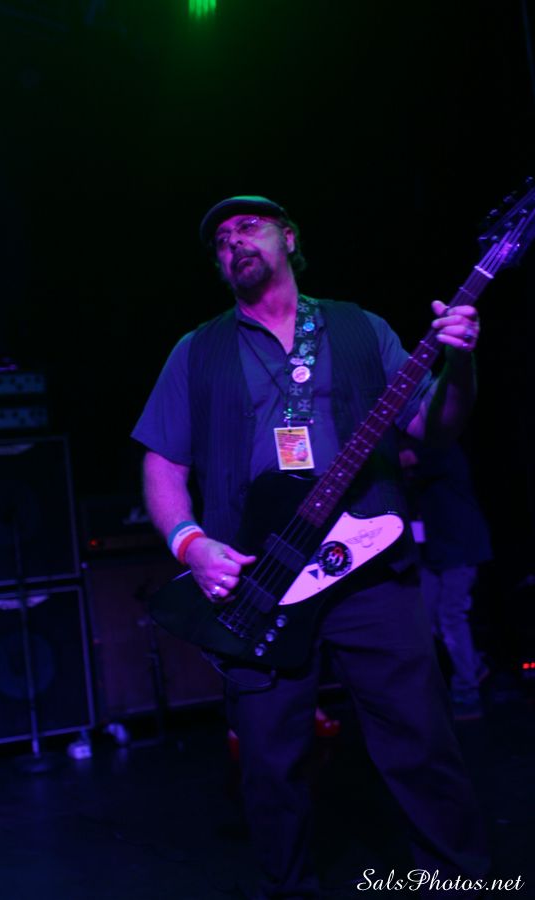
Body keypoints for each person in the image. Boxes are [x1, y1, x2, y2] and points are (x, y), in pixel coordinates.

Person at [132, 195, 489, 898]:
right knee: (269, 765)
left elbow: (433, 427)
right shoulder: (196, 350)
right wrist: (190, 544)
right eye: (220, 239)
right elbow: (162, 464)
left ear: (289, 238)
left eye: (249, 227)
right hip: (258, 581)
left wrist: (461, 364)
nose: (234, 241)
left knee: (420, 742)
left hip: (369, 566)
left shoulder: (360, 327)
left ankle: (460, 885)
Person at [400, 439, 493, 721]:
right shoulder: (424, 458)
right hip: (435, 551)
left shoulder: (441, 447)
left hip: (460, 548)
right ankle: (473, 666)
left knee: (451, 618)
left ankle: (467, 692)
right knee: (426, 619)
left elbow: (405, 459)